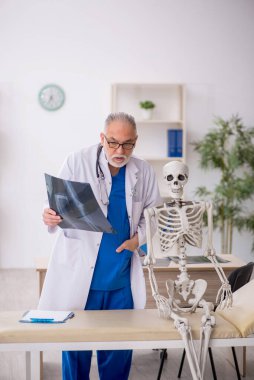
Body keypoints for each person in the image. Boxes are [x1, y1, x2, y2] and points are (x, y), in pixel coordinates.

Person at [39, 112, 161, 380]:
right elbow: (57, 205)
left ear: (136, 142)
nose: (120, 150)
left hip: (120, 280)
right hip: (81, 277)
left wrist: (138, 239)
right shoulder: (77, 161)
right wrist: (49, 214)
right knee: (75, 351)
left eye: (127, 144)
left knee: (118, 352)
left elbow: (155, 216)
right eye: (113, 143)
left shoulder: (144, 171)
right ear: (102, 138)